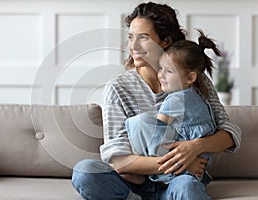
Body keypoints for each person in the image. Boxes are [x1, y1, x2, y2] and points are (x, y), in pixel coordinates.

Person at [72, 2, 241, 200]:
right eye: (130, 37)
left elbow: (230, 132)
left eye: (143, 38)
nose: (132, 46)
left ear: (165, 41)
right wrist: (182, 161)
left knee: (187, 186)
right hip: (132, 185)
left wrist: (196, 147)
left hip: (180, 181)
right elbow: (118, 159)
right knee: (85, 172)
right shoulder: (118, 88)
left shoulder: (194, 80)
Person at [125, 30, 221, 185]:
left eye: (169, 71)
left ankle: (154, 171)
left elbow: (156, 130)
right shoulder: (199, 93)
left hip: (182, 159)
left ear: (190, 77)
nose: (161, 75)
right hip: (203, 160)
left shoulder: (175, 100)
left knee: (140, 122)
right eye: (160, 68)